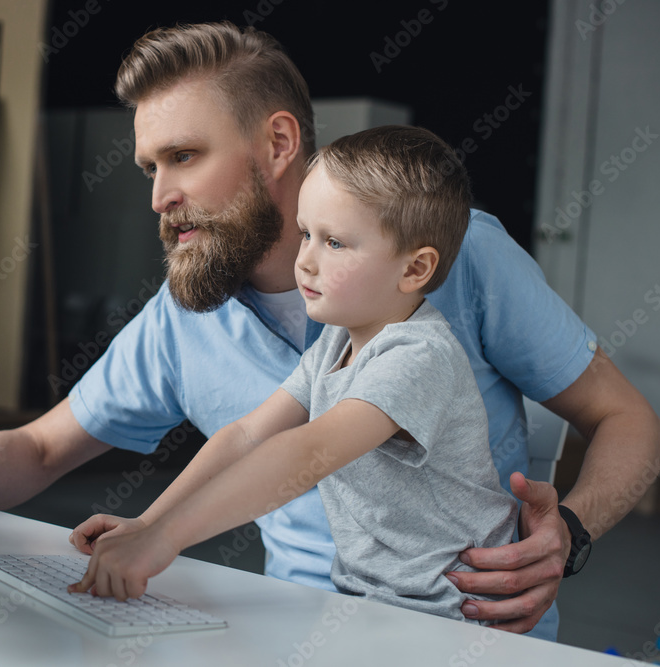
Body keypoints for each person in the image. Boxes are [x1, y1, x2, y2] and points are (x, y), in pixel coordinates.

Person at [0, 21, 660, 638]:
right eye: (148, 168)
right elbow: (44, 446)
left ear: (276, 144)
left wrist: (571, 531)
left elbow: (631, 422)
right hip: (301, 630)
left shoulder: (452, 272)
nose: (159, 196)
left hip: (457, 631)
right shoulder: (197, 316)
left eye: (183, 156)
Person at [66, 126, 521, 625]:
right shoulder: (336, 342)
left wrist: (167, 540)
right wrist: (149, 523)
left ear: (414, 270)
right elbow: (246, 435)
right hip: (369, 606)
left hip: (448, 617)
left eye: (335, 243)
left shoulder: (419, 356)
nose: (305, 261)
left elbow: (306, 452)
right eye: (307, 234)